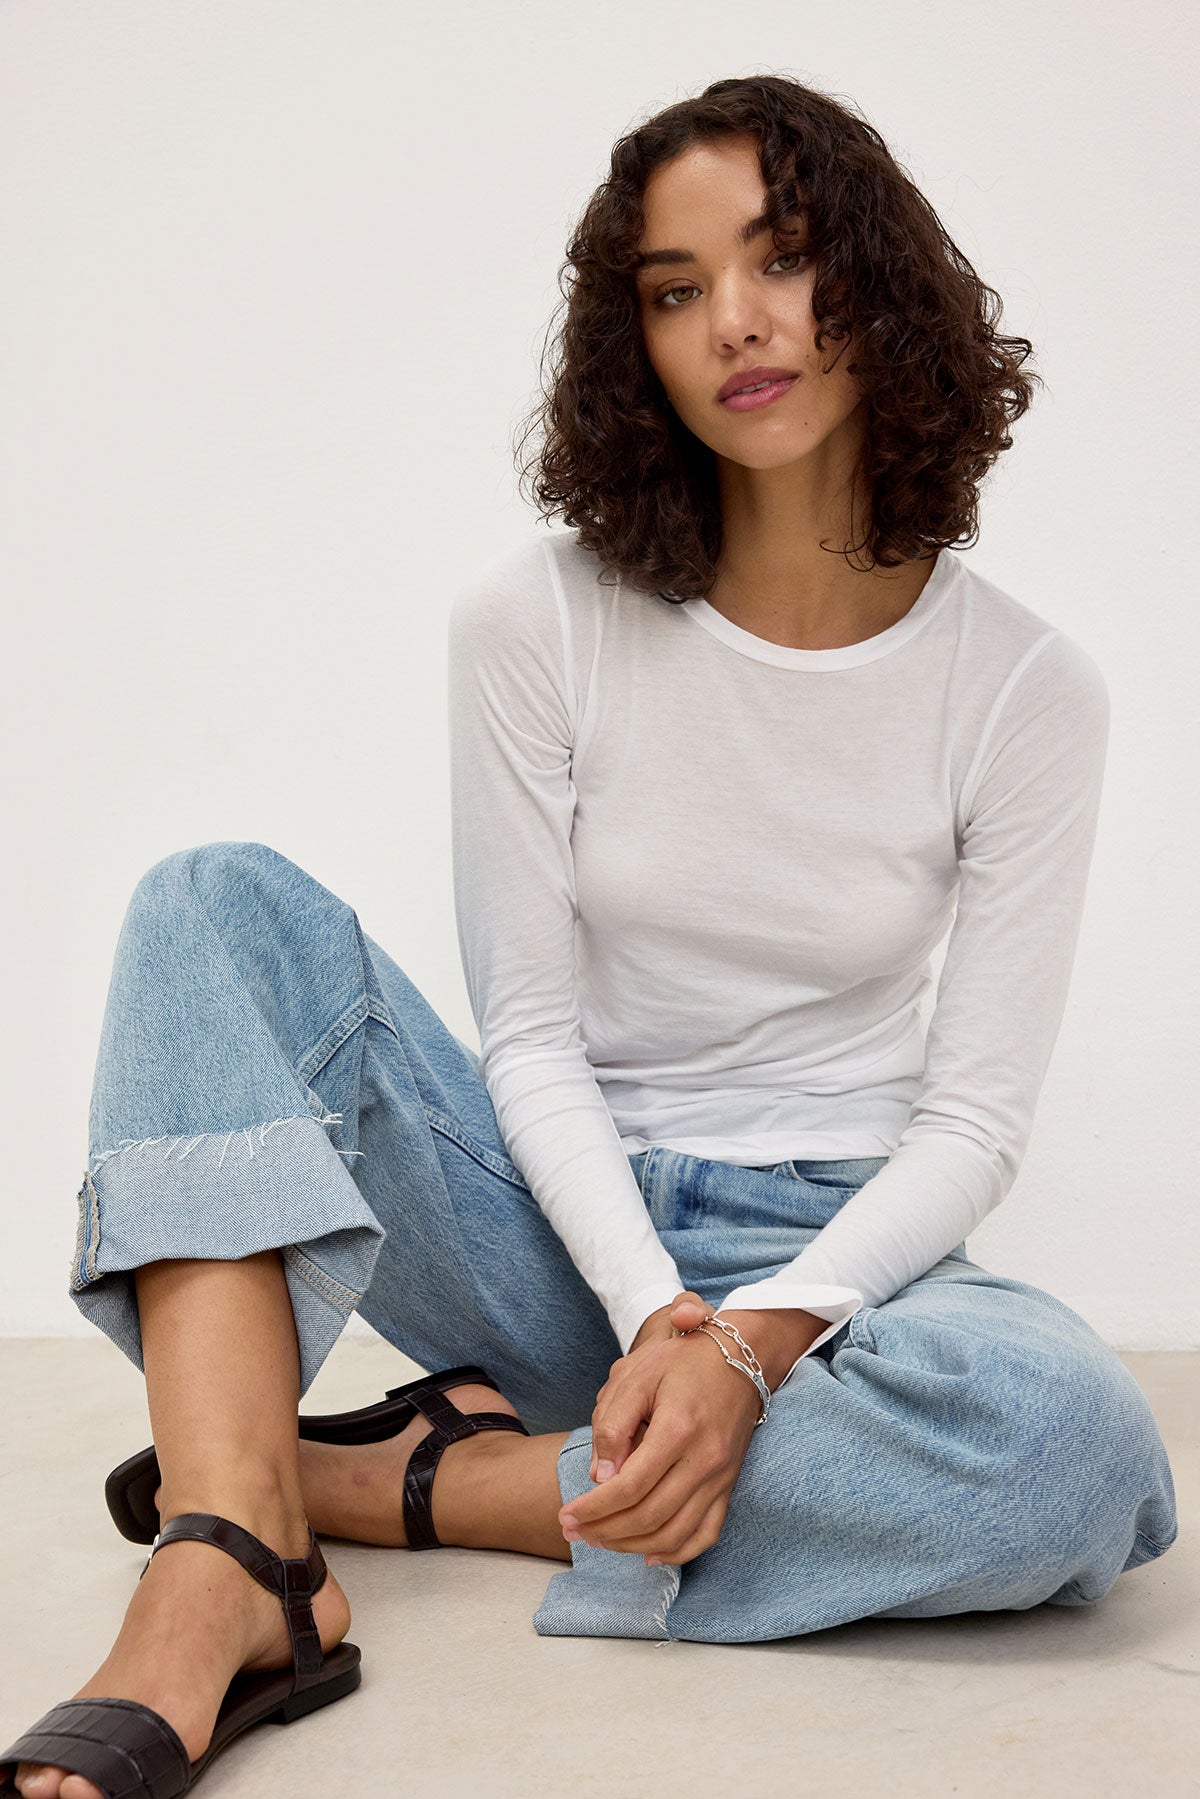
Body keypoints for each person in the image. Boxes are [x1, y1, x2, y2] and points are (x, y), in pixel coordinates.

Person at [3, 72, 1177, 1799]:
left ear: (880, 281)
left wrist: (759, 1346)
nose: (737, 323)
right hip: (561, 1228)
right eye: (676, 288)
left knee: (1074, 1455)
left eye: (781, 260)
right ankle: (230, 1566)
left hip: (844, 1264)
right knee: (209, 904)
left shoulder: (1022, 688)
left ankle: (406, 1482)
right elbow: (531, 1040)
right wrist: (658, 1326)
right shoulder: (538, 622)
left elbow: (973, 1126)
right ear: (632, 340)